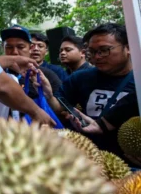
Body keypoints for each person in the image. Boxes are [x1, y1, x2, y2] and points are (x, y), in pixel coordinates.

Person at [37, 23, 138, 163]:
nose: (97, 56)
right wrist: (49, 95)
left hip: (131, 162)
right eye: (92, 51)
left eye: (104, 50)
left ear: (128, 48)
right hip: (89, 157)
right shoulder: (81, 78)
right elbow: (61, 107)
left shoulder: (137, 80)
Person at [1, 26, 62, 100]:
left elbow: (61, 109)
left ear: (30, 48)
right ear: (3, 48)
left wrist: (49, 97)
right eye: (9, 47)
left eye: (20, 47)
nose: (14, 52)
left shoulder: (46, 75)